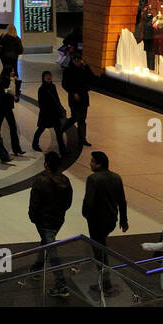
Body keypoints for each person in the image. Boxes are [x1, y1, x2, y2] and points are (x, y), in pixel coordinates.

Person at [28, 150, 74, 298]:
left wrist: (34, 217)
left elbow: (34, 204)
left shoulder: (40, 181)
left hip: (44, 220)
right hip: (58, 219)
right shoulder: (65, 180)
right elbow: (68, 202)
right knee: (46, 242)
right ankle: (36, 268)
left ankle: (61, 285)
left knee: (52, 250)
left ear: (46, 165)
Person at [81, 151, 128, 292]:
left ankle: (105, 281)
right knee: (102, 245)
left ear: (99, 164)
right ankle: (105, 280)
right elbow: (122, 201)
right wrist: (123, 220)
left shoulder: (93, 179)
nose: (90, 163)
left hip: (96, 220)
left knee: (99, 250)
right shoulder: (116, 177)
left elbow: (89, 202)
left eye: (92, 161)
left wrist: (86, 214)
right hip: (111, 219)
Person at [60, 50, 93, 149]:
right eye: (76, 60)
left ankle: (82, 139)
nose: (78, 62)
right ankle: (61, 129)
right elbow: (65, 84)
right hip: (74, 98)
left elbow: (91, 78)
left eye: (79, 60)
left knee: (82, 119)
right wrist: (73, 92)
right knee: (75, 117)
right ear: (73, 60)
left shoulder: (84, 69)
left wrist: (86, 67)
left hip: (84, 97)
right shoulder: (68, 70)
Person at [32, 70, 67, 153]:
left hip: (54, 113)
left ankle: (62, 150)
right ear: (43, 78)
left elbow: (57, 99)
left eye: (50, 75)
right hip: (46, 114)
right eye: (46, 76)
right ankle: (35, 144)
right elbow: (41, 103)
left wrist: (60, 107)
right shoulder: (42, 89)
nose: (49, 77)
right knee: (41, 129)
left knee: (58, 132)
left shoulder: (53, 86)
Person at [0, 67, 26, 156]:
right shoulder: (2, 81)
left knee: (12, 127)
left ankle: (16, 148)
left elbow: (16, 92)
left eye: (13, 71)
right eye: (11, 71)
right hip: (1, 107)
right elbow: (1, 91)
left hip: (7, 107)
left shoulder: (12, 81)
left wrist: (17, 83)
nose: (13, 72)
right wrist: (10, 92)